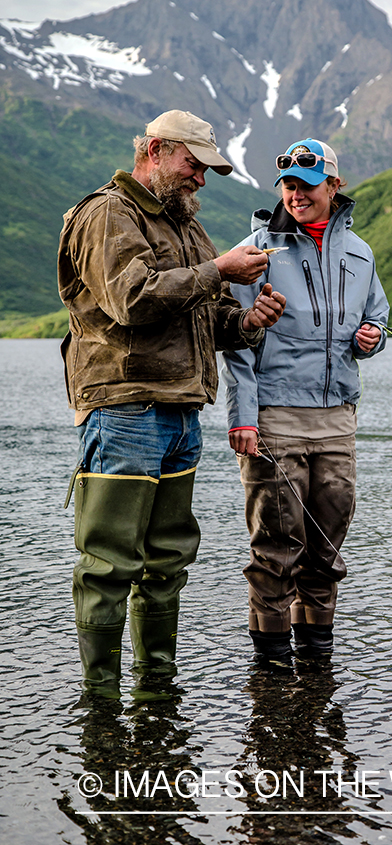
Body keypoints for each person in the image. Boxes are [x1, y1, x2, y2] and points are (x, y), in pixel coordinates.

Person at [58, 109, 285, 697]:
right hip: (125, 409)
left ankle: (156, 690)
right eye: (193, 164)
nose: (200, 179)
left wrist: (250, 321)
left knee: (166, 561)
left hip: (182, 412)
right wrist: (219, 269)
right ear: (155, 151)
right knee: (111, 563)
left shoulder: (184, 224)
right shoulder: (108, 213)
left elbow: (207, 317)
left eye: (206, 170)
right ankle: (102, 702)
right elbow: (131, 300)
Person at [222, 137, 389, 665]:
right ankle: (271, 665)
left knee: (327, 541)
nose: (296, 195)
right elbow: (238, 341)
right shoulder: (256, 251)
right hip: (275, 416)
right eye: (289, 186)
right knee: (277, 544)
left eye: (308, 186)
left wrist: (372, 336)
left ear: (334, 187)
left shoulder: (360, 254)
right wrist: (243, 418)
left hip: (338, 416)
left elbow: (378, 316)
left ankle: (316, 658)